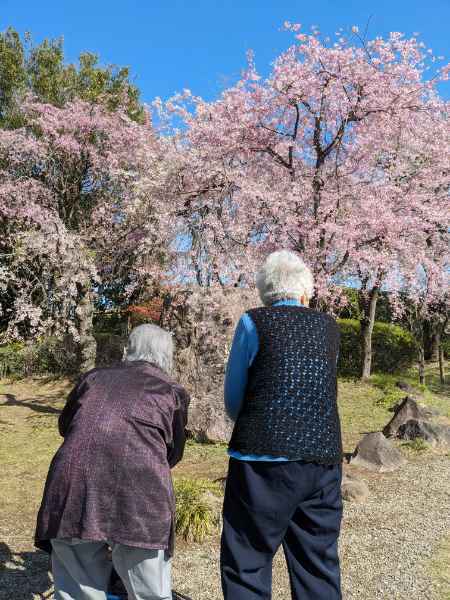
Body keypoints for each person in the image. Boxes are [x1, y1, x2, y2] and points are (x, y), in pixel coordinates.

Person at [35, 323, 190, 600]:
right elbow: (173, 453)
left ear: (127, 350)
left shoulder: (92, 378)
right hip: (141, 497)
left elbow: (66, 426)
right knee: (149, 591)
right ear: (168, 357)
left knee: (77, 589)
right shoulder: (171, 391)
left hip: (73, 486)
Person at [221, 250, 343, 600]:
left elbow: (233, 397)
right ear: (305, 292)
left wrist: (250, 421)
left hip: (261, 460)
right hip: (322, 459)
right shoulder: (330, 328)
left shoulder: (252, 321)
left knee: (247, 560)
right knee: (317, 562)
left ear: (265, 292)